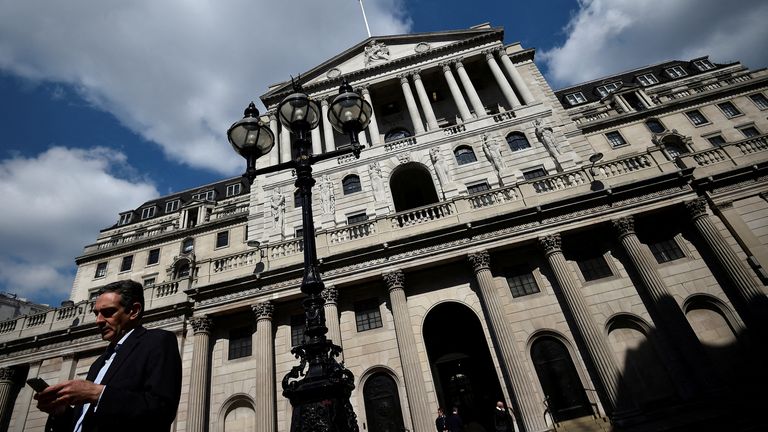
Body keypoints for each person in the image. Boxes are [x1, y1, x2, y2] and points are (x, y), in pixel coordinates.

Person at [34, 280, 182, 432]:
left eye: (108, 312)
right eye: (96, 313)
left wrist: (97, 393)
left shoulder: (158, 341)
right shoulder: (98, 364)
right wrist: (61, 413)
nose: (98, 321)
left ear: (134, 311)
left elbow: (161, 409)